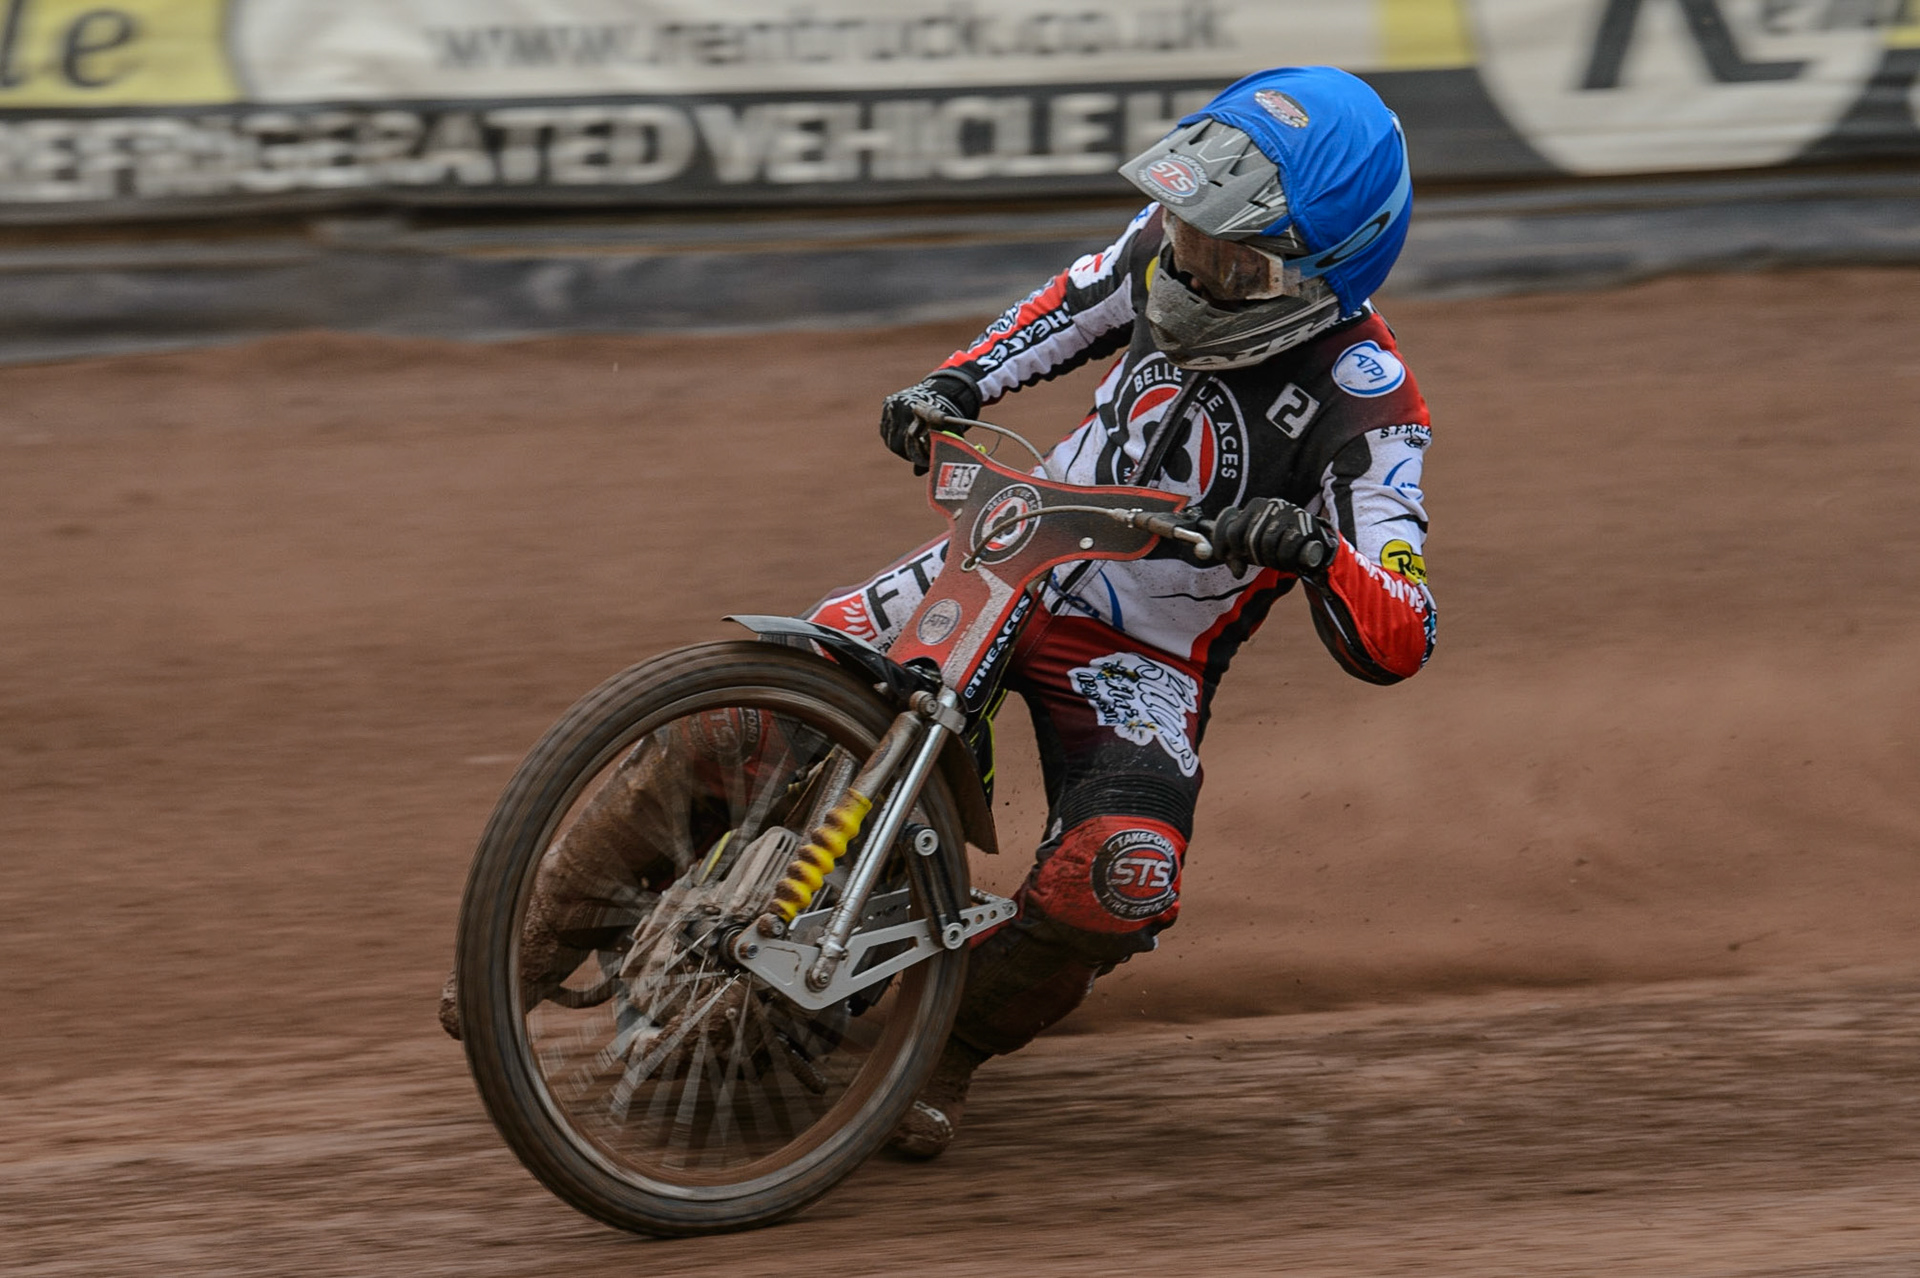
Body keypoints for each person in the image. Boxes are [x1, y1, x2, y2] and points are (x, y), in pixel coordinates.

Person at [803, 65, 1437, 1158]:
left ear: (1324, 272)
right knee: (787, 686)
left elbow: (1406, 628)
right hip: (1014, 550)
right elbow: (1073, 299)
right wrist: (955, 383)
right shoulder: (1169, 239)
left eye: (1230, 259)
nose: (1188, 265)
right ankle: (556, 914)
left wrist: (1320, 547)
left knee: (1122, 874)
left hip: (1141, 654)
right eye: (1188, 232)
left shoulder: (1372, 401)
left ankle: (937, 1049)